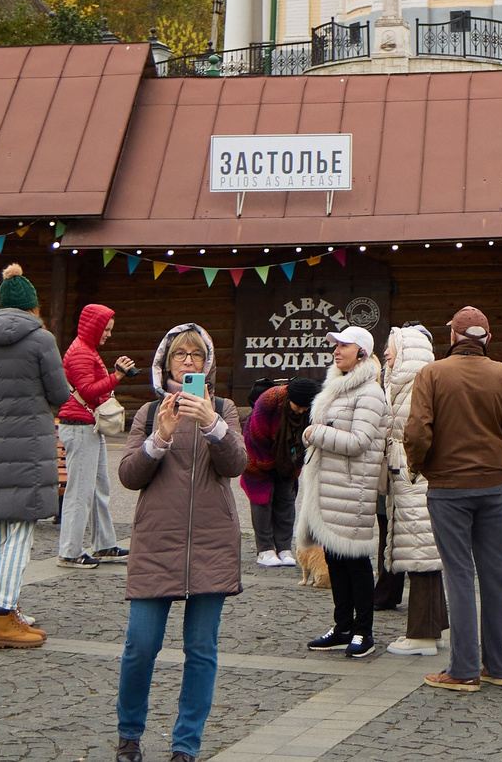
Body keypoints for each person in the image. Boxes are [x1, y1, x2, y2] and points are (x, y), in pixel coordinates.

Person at [114, 321, 246, 762]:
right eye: (179, 355)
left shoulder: (223, 408)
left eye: (196, 356)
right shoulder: (149, 413)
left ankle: (185, 746)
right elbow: (130, 475)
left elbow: (237, 465)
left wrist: (212, 424)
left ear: (207, 364)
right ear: (165, 361)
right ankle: (129, 735)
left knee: (201, 651)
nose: (188, 362)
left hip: (212, 543)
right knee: (140, 645)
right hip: (157, 543)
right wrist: (161, 437)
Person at [402, 304, 502, 693]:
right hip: (494, 486)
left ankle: (463, 670)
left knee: (459, 576)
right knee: (496, 578)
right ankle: (499, 666)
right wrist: (500, 460)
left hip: (448, 488)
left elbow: (417, 432)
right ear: (487, 339)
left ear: (453, 337)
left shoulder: (432, 374)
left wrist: (420, 467)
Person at [0, 264, 71, 649]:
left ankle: (2, 609)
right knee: (20, 532)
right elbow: (59, 393)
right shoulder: (41, 339)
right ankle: (3, 616)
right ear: (32, 307)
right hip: (30, 443)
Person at [297, 326, 388, 658]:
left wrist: (316, 433)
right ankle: (342, 625)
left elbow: (360, 442)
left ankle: (364, 631)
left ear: (361, 352)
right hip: (331, 487)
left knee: (355, 562)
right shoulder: (339, 386)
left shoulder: (369, 393)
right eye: (335, 345)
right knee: (335, 559)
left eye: (344, 345)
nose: (336, 350)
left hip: (352, 488)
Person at [380, 323, 447, 657]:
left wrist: (412, 468)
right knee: (426, 552)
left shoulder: (413, 387)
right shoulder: (411, 384)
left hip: (413, 476)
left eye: (391, 348)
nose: (386, 354)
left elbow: (417, 435)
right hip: (414, 476)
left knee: (420, 552)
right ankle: (436, 626)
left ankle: (421, 634)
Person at [58, 301, 136, 569]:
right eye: (107, 329)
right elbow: (89, 391)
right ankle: (69, 551)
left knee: (99, 487)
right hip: (79, 427)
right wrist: (117, 376)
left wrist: (113, 375)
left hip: (88, 426)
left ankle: (103, 544)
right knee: (80, 491)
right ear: (95, 327)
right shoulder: (81, 352)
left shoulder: (86, 350)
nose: (109, 334)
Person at [243, 375, 316, 567]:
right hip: (259, 457)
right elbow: (256, 434)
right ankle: (265, 549)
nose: (301, 411)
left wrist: (290, 465)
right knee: (262, 501)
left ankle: (284, 547)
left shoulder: (308, 410)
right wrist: (268, 465)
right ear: (289, 399)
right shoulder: (268, 401)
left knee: (286, 500)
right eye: (298, 406)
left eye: (305, 408)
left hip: (287, 460)